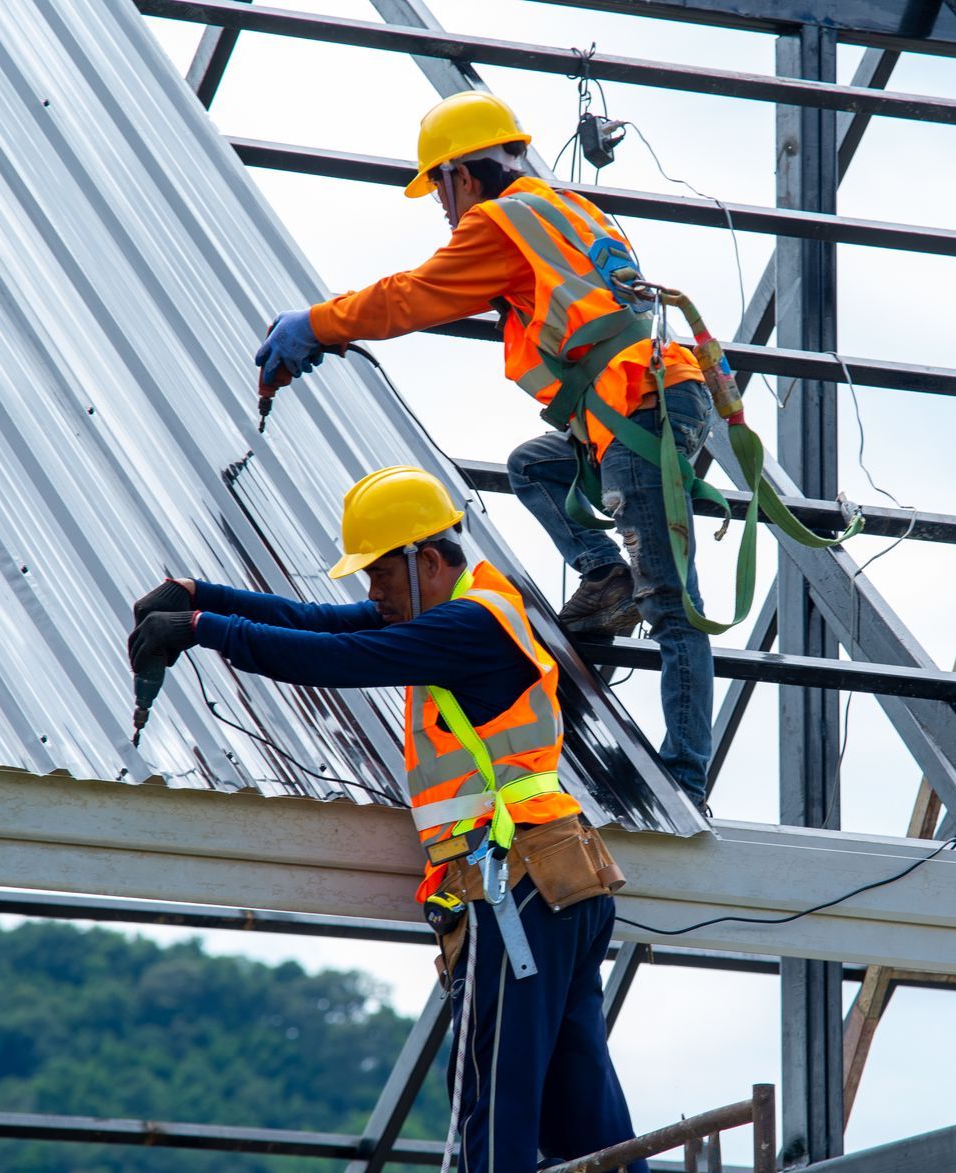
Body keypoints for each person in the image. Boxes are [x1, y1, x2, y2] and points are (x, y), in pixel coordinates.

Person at [126, 466, 671, 1173]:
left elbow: (339, 658)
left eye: (380, 569)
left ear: (426, 557)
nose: (373, 588)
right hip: (559, 879)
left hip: (516, 886)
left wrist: (201, 631)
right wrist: (202, 597)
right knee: (590, 1114)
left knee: (498, 1105)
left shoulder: (471, 630)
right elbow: (321, 623)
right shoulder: (467, 611)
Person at [253, 90, 714, 805]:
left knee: (674, 604)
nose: (442, 208)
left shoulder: (500, 224)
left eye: (438, 188)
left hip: (638, 410)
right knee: (535, 467)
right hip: (641, 403)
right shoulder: (565, 210)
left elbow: (414, 295)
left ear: (460, 176)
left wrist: (319, 323)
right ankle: (604, 575)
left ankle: (686, 778)